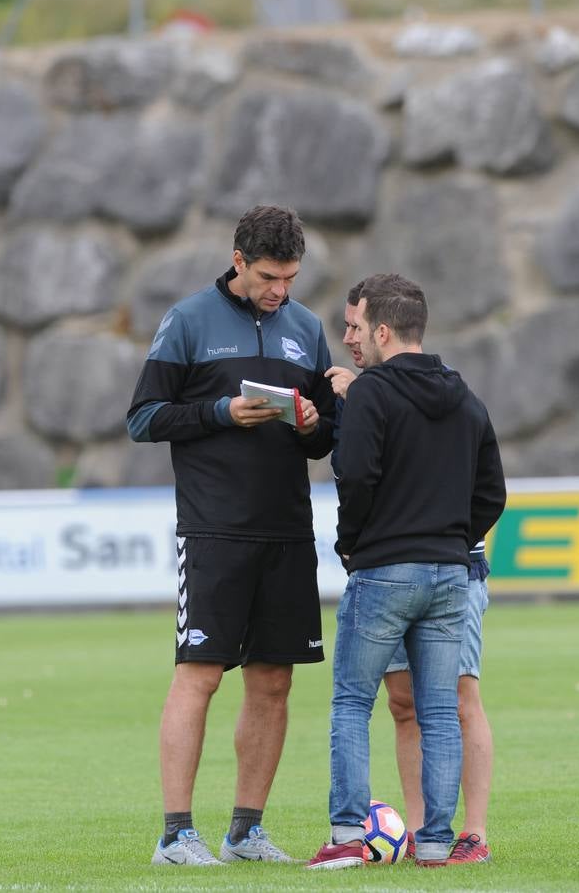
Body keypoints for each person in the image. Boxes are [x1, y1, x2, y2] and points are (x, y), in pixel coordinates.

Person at [126, 205, 338, 867]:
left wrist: (309, 422)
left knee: (274, 681)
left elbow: (330, 435)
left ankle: (246, 831)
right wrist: (221, 411)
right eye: (270, 277)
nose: (281, 291)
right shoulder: (188, 320)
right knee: (201, 675)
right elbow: (143, 418)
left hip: (287, 531)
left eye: (292, 278)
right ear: (239, 261)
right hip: (214, 530)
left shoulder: (306, 328)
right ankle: (175, 835)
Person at [306, 274, 505, 870]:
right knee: (439, 709)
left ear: (383, 330)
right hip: (451, 573)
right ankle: (439, 843)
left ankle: (346, 836)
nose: (351, 337)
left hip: (385, 569)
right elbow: (492, 493)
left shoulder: (371, 394)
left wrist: (352, 543)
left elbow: (356, 474)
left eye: (356, 326)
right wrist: (452, 538)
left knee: (350, 702)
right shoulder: (466, 397)